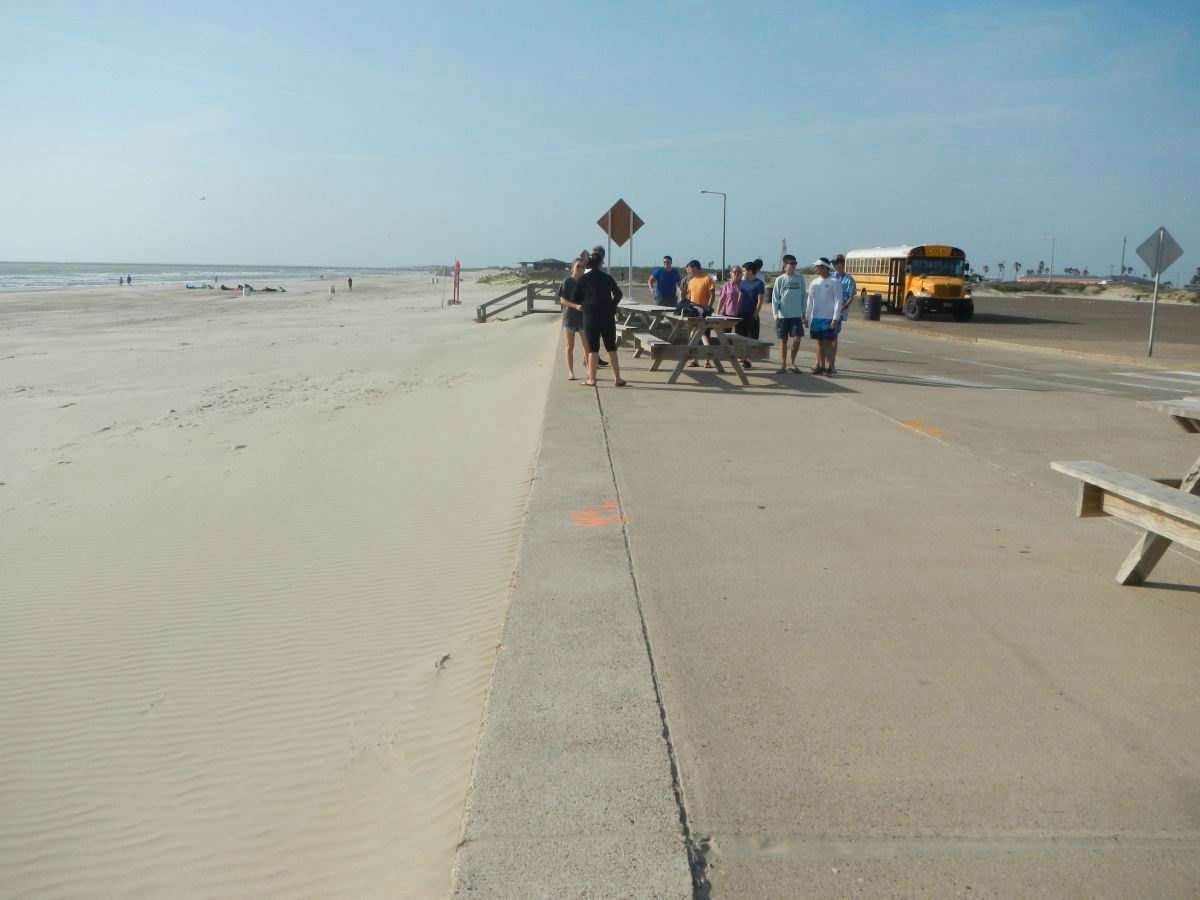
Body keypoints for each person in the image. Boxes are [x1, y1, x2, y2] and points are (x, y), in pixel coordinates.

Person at [570, 246, 626, 387]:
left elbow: (575, 298)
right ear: (600, 263)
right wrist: (612, 306)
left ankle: (592, 379)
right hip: (607, 316)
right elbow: (618, 294)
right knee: (611, 347)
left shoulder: (583, 279)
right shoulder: (607, 278)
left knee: (593, 348)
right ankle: (617, 378)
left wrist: (586, 302)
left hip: (590, 316)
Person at [771, 254, 807, 373]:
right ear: (785, 265)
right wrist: (775, 315)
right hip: (783, 315)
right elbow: (775, 299)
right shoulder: (780, 279)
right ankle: (783, 365)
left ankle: (792, 362)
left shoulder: (800, 279)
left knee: (797, 339)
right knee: (784, 340)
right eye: (791, 263)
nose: (794, 265)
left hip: (796, 315)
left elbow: (803, 296)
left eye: (795, 263)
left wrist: (804, 312)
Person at [806, 258, 842, 375]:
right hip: (816, 317)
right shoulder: (814, 282)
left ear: (824, 267)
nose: (815, 268)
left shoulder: (834, 282)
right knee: (819, 342)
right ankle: (821, 366)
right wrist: (807, 316)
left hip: (828, 318)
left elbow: (838, 301)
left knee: (828, 343)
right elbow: (810, 300)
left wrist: (835, 318)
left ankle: (830, 367)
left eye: (818, 266)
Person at [558, 257, 587, 380]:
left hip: (583, 319)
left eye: (582, 266)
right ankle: (570, 372)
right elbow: (562, 300)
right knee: (569, 346)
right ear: (572, 268)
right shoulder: (567, 282)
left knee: (587, 347)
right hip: (569, 318)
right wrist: (575, 306)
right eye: (578, 266)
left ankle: (589, 371)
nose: (580, 268)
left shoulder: (585, 282)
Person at [736, 260, 766, 368]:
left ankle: (749, 360)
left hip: (752, 315)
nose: (742, 272)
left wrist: (755, 314)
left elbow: (760, 301)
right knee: (740, 337)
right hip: (741, 314)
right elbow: (740, 298)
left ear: (750, 271)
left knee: (752, 338)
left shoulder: (759, 283)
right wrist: (736, 310)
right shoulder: (742, 283)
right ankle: (743, 358)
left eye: (744, 270)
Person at [830, 253, 856, 362]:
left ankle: (831, 361)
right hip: (827, 310)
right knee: (824, 337)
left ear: (842, 264)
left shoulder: (849, 279)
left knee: (833, 336)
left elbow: (851, 295)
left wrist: (844, 306)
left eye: (836, 263)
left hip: (839, 312)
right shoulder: (830, 276)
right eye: (833, 263)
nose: (834, 265)